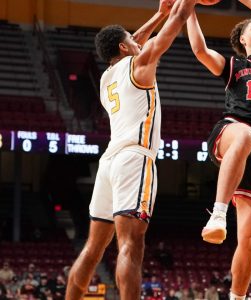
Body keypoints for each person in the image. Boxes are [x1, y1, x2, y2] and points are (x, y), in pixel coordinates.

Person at [65, 0, 196, 299]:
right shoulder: (139, 64)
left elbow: (133, 42)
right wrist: (184, 4)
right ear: (125, 48)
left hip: (109, 162)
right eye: (131, 40)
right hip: (134, 158)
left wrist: (157, 15)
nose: (137, 41)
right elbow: (172, 27)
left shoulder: (105, 78)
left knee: (92, 248)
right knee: (131, 245)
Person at [186, 0, 251, 298]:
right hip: (231, 131)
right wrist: (189, 9)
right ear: (241, 38)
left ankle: (237, 296)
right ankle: (218, 213)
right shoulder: (234, 65)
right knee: (245, 134)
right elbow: (199, 50)